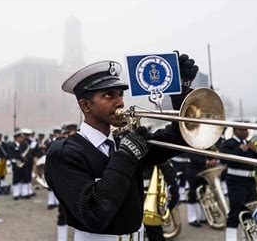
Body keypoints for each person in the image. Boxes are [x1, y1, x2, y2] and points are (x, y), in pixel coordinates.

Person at [45, 54, 198, 240]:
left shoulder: (122, 142)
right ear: (85, 105)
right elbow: (94, 213)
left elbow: (180, 138)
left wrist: (181, 90)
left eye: (120, 94)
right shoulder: (63, 153)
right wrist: (126, 154)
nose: (120, 102)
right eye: (109, 95)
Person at [220, 124, 257, 241]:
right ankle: (230, 238)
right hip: (236, 181)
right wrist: (239, 150)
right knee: (235, 211)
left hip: (250, 181)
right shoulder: (229, 143)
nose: (244, 132)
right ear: (234, 130)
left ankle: (246, 237)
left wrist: (256, 149)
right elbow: (223, 159)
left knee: (249, 210)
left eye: (246, 129)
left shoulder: (249, 143)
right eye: (241, 129)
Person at [142, 161, 178, 241]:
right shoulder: (161, 160)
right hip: (150, 208)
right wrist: (171, 205)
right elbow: (172, 185)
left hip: (140, 204)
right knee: (155, 234)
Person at [8, 130, 30, 200]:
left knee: (24, 178)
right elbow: (11, 156)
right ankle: (16, 194)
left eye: (22, 137)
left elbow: (28, 154)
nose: (22, 138)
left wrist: (26, 159)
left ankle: (24, 193)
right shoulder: (11, 145)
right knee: (16, 179)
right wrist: (17, 161)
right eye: (20, 137)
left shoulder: (24, 144)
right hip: (16, 164)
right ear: (16, 138)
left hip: (24, 164)